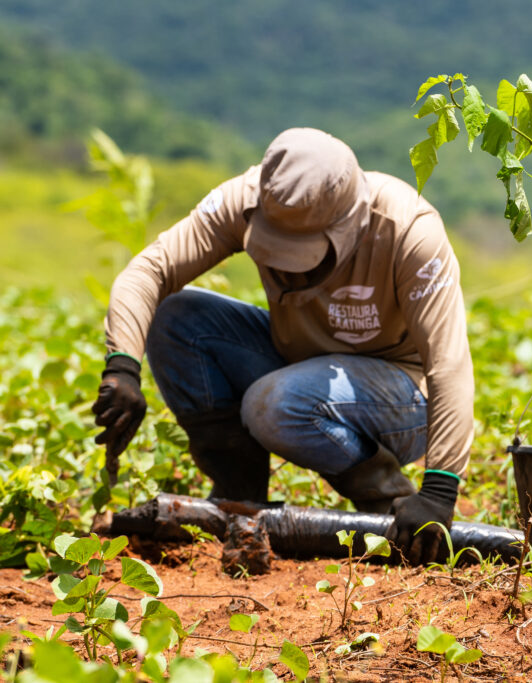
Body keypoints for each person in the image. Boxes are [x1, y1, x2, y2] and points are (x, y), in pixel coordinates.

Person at [90, 127, 474, 564]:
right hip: (301, 366)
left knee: (274, 403)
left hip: (402, 396)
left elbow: (448, 365)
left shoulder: (407, 231)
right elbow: (149, 272)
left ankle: (385, 498)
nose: (288, 273)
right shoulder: (247, 199)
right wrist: (122, 365)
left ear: (347, 226)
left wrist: (440, 489)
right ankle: (239, 494)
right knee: (177, 318)